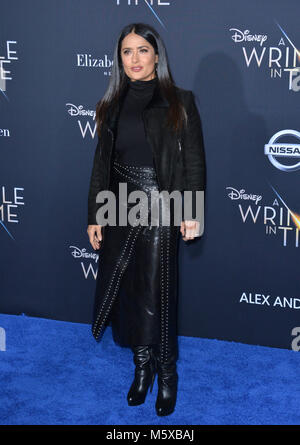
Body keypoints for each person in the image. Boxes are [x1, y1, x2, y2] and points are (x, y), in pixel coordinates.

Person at [87, 22, 206, 417]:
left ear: (157, 55)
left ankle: (167, 373)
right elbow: (101, 166)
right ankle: (142, 369)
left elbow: (192, 162)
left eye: (142, 50)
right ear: (119, 58)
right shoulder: (111, 104)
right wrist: (95, 215)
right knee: (129, 292)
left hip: (161, 204)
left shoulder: (180, 102)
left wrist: (191, 213)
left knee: (159, 292)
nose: (134, 59)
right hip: (119, 203)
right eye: (126, 51)